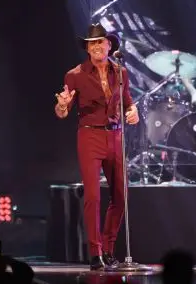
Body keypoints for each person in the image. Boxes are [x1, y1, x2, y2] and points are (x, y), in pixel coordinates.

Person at [55, 23, 139, 271]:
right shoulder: (75, 74)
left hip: (115, 136)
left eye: (101, 42)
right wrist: (62, 105)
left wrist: (133, 112)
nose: (97, 46)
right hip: (89, 136)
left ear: (109, 45)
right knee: (92, 196)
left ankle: (109, 248)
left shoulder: (121, 72)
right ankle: (95, 253)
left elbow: (128, 104)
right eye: (92, 43)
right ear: (88, 48)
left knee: (121, 196)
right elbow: (62, 112)